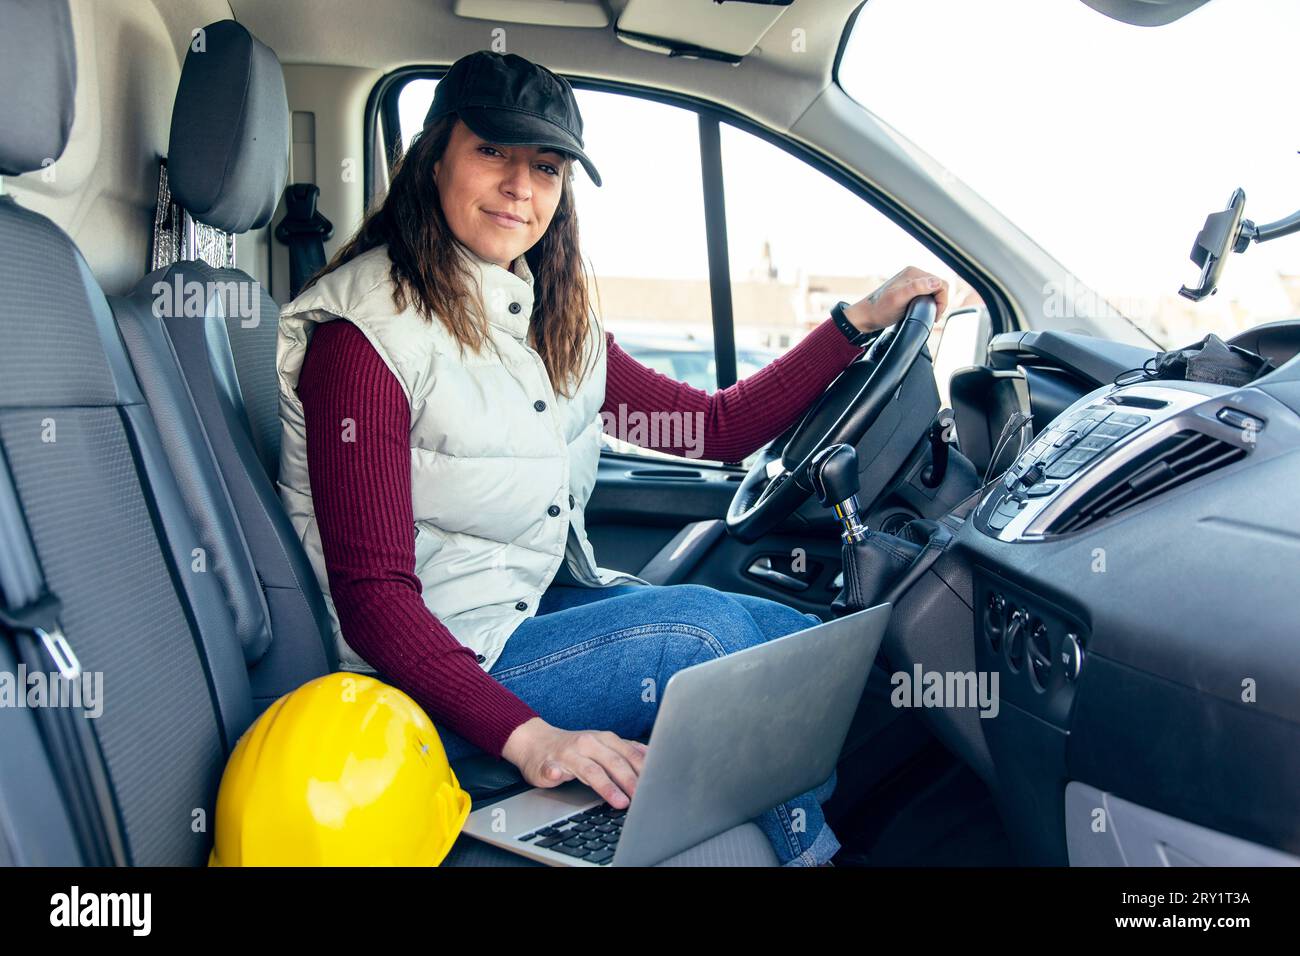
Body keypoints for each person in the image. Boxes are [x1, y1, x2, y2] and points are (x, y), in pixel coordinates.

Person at [274, 50, 948, 866]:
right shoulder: (363, 339)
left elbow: (711, 431)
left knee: (792, 641)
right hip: (430, 679)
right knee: (698, 634)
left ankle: (797, 834)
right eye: (493, 151)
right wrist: (529, 740)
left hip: (533, 613)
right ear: (433, 156)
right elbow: (373, 601)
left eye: (547, 166)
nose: (522, 185)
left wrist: (854, 325)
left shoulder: (545, 325)